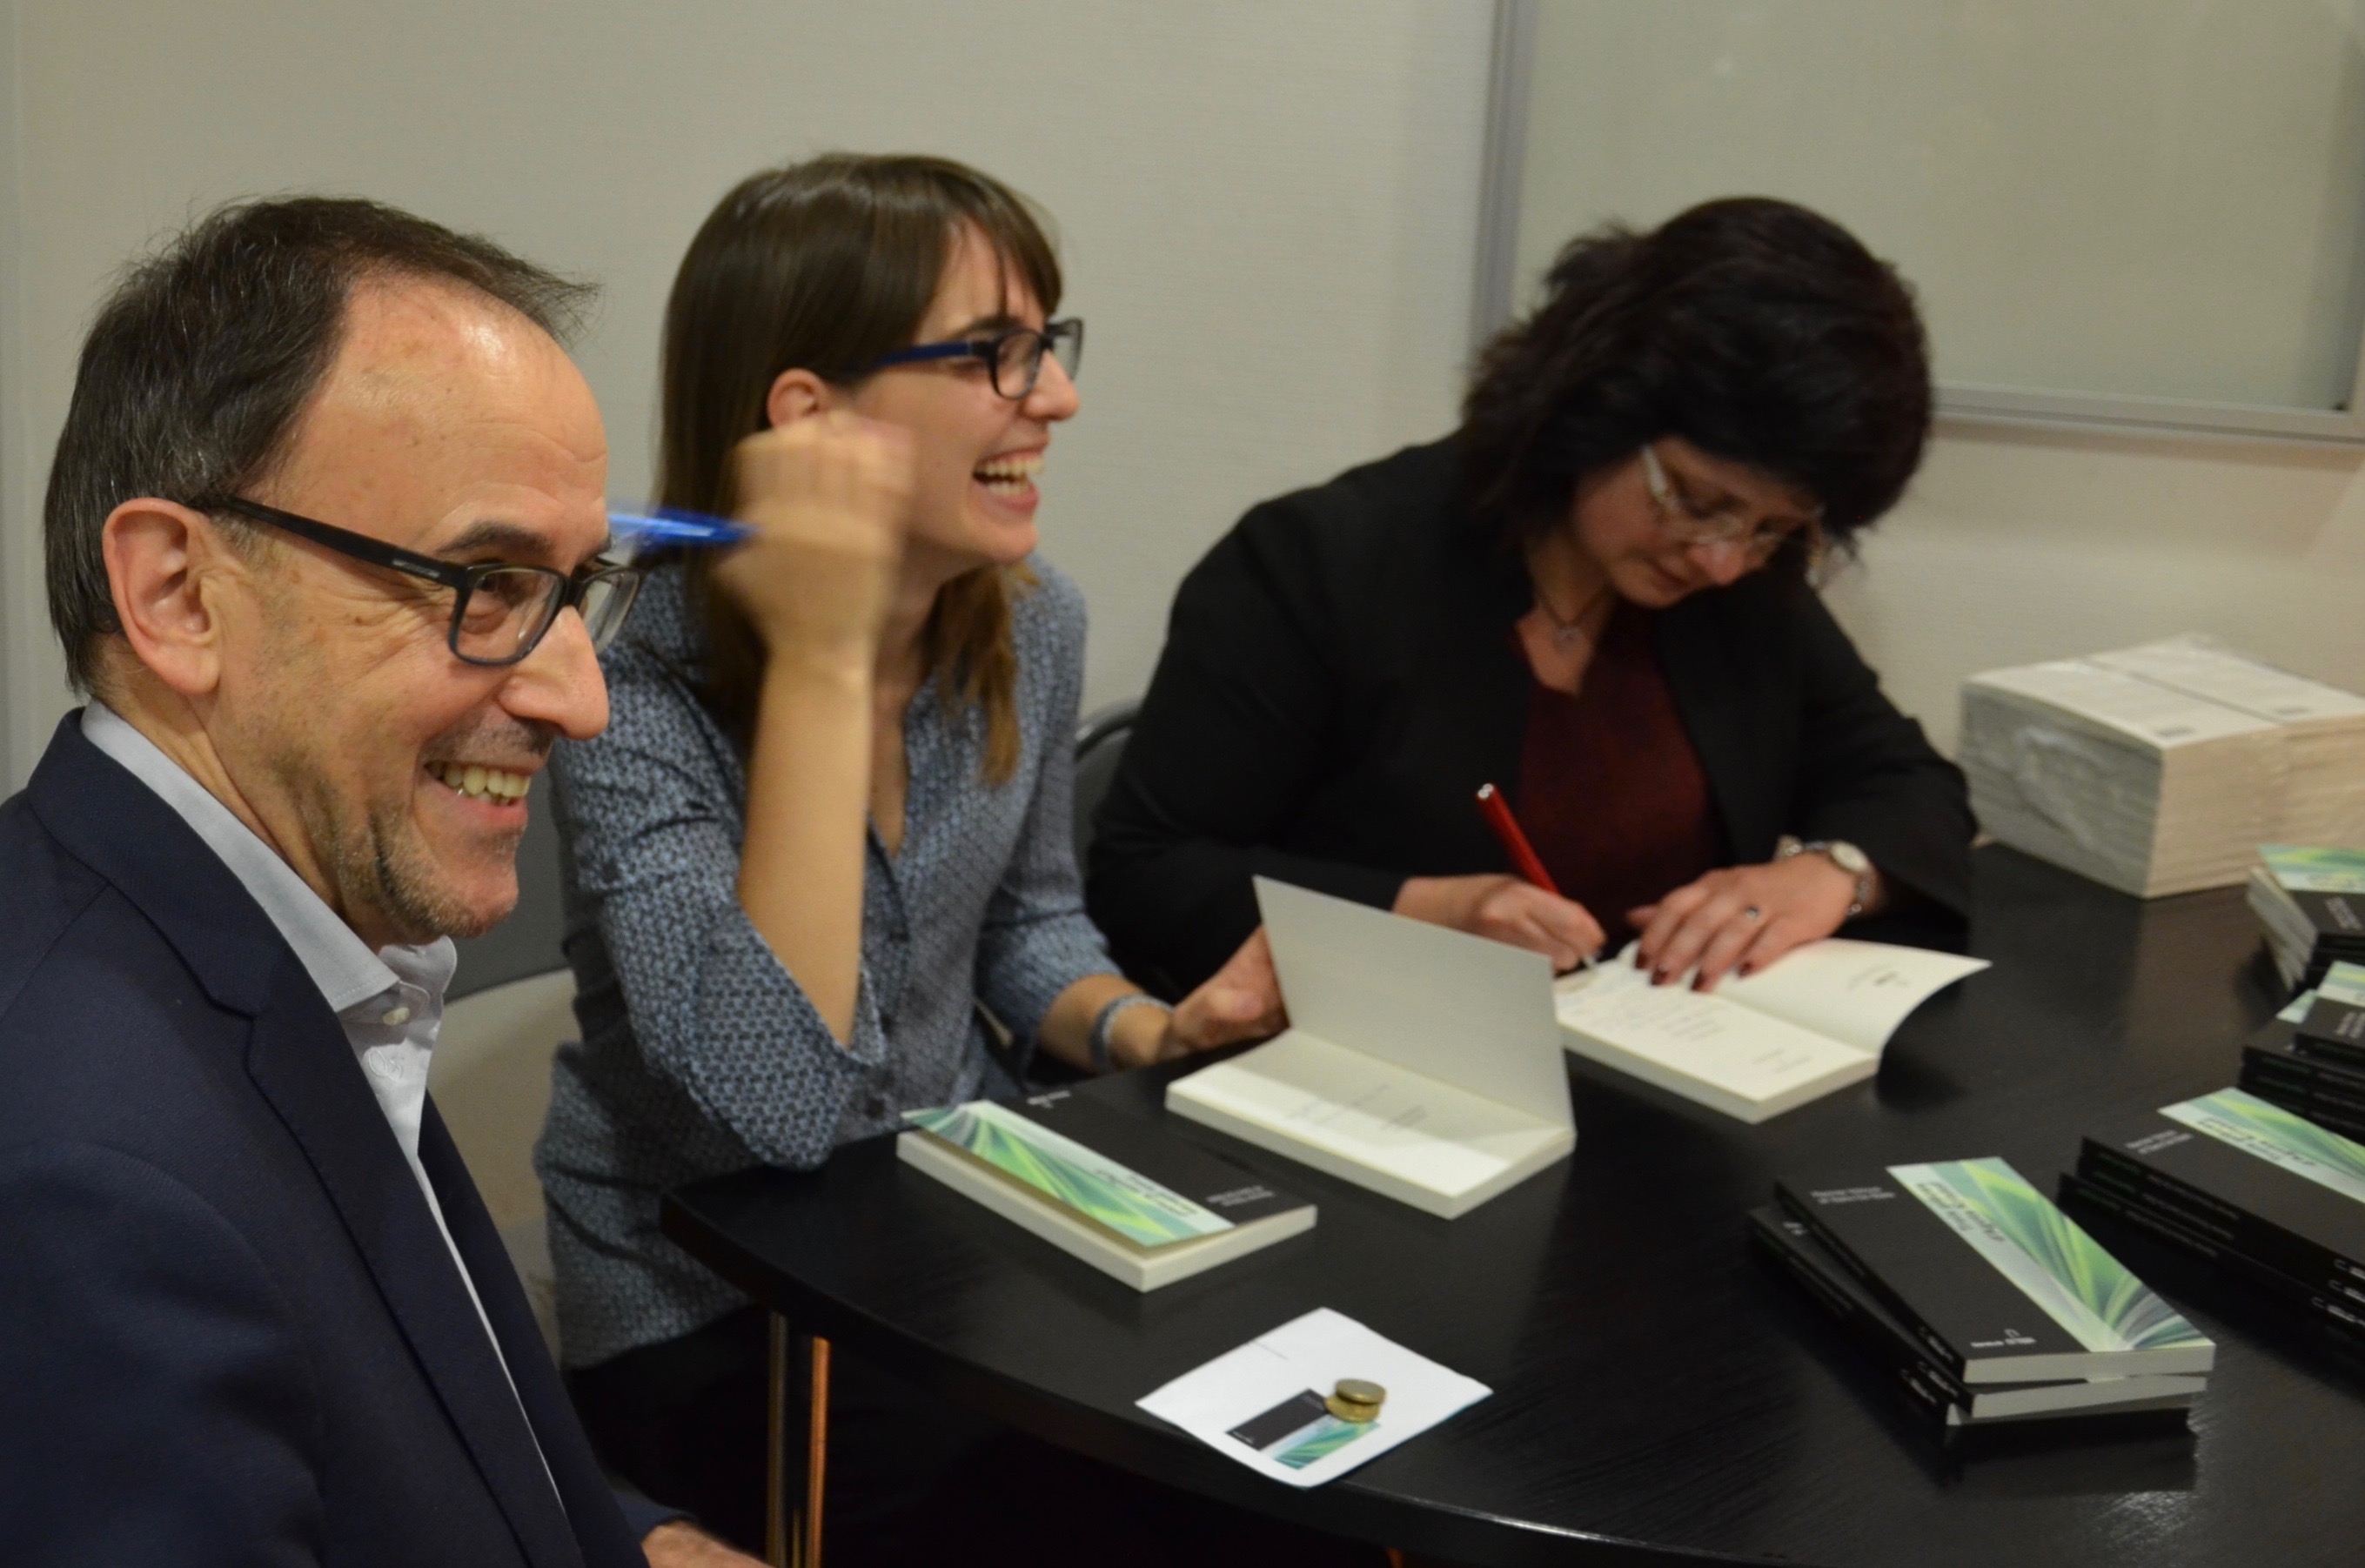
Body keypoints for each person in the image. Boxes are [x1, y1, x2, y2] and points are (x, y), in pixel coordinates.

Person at [538, 155, 1330, 1565]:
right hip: (709, 1296)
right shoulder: (630, 703)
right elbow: (772, 1105)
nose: (1057, 398)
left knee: (1254, 1478)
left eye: (1048, 347)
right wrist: (826, 657)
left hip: (947, 1222)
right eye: (992, 355)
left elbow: (1027, 924)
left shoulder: (1028, 623)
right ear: (808, 419)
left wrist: (1151, 1026)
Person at [0, 198, 770, 1565]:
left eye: (575, 586)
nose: (582, 698)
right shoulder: (84, 1184)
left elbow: (392, 1440)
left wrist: (631, 1540)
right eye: (485, 580)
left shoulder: (268, 941)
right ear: (177, 592)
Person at [1088, 198, 1974, 1000]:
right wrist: (1428, 911)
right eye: (1698, 502)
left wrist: (1831, 872)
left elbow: (1906, 781)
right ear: (1600, 406)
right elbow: (1148, 875)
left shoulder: (1742, 587)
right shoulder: (1323, 563)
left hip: (1654, 1072)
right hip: (1371, 1070)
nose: (1723, 561)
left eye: (1774, 529)